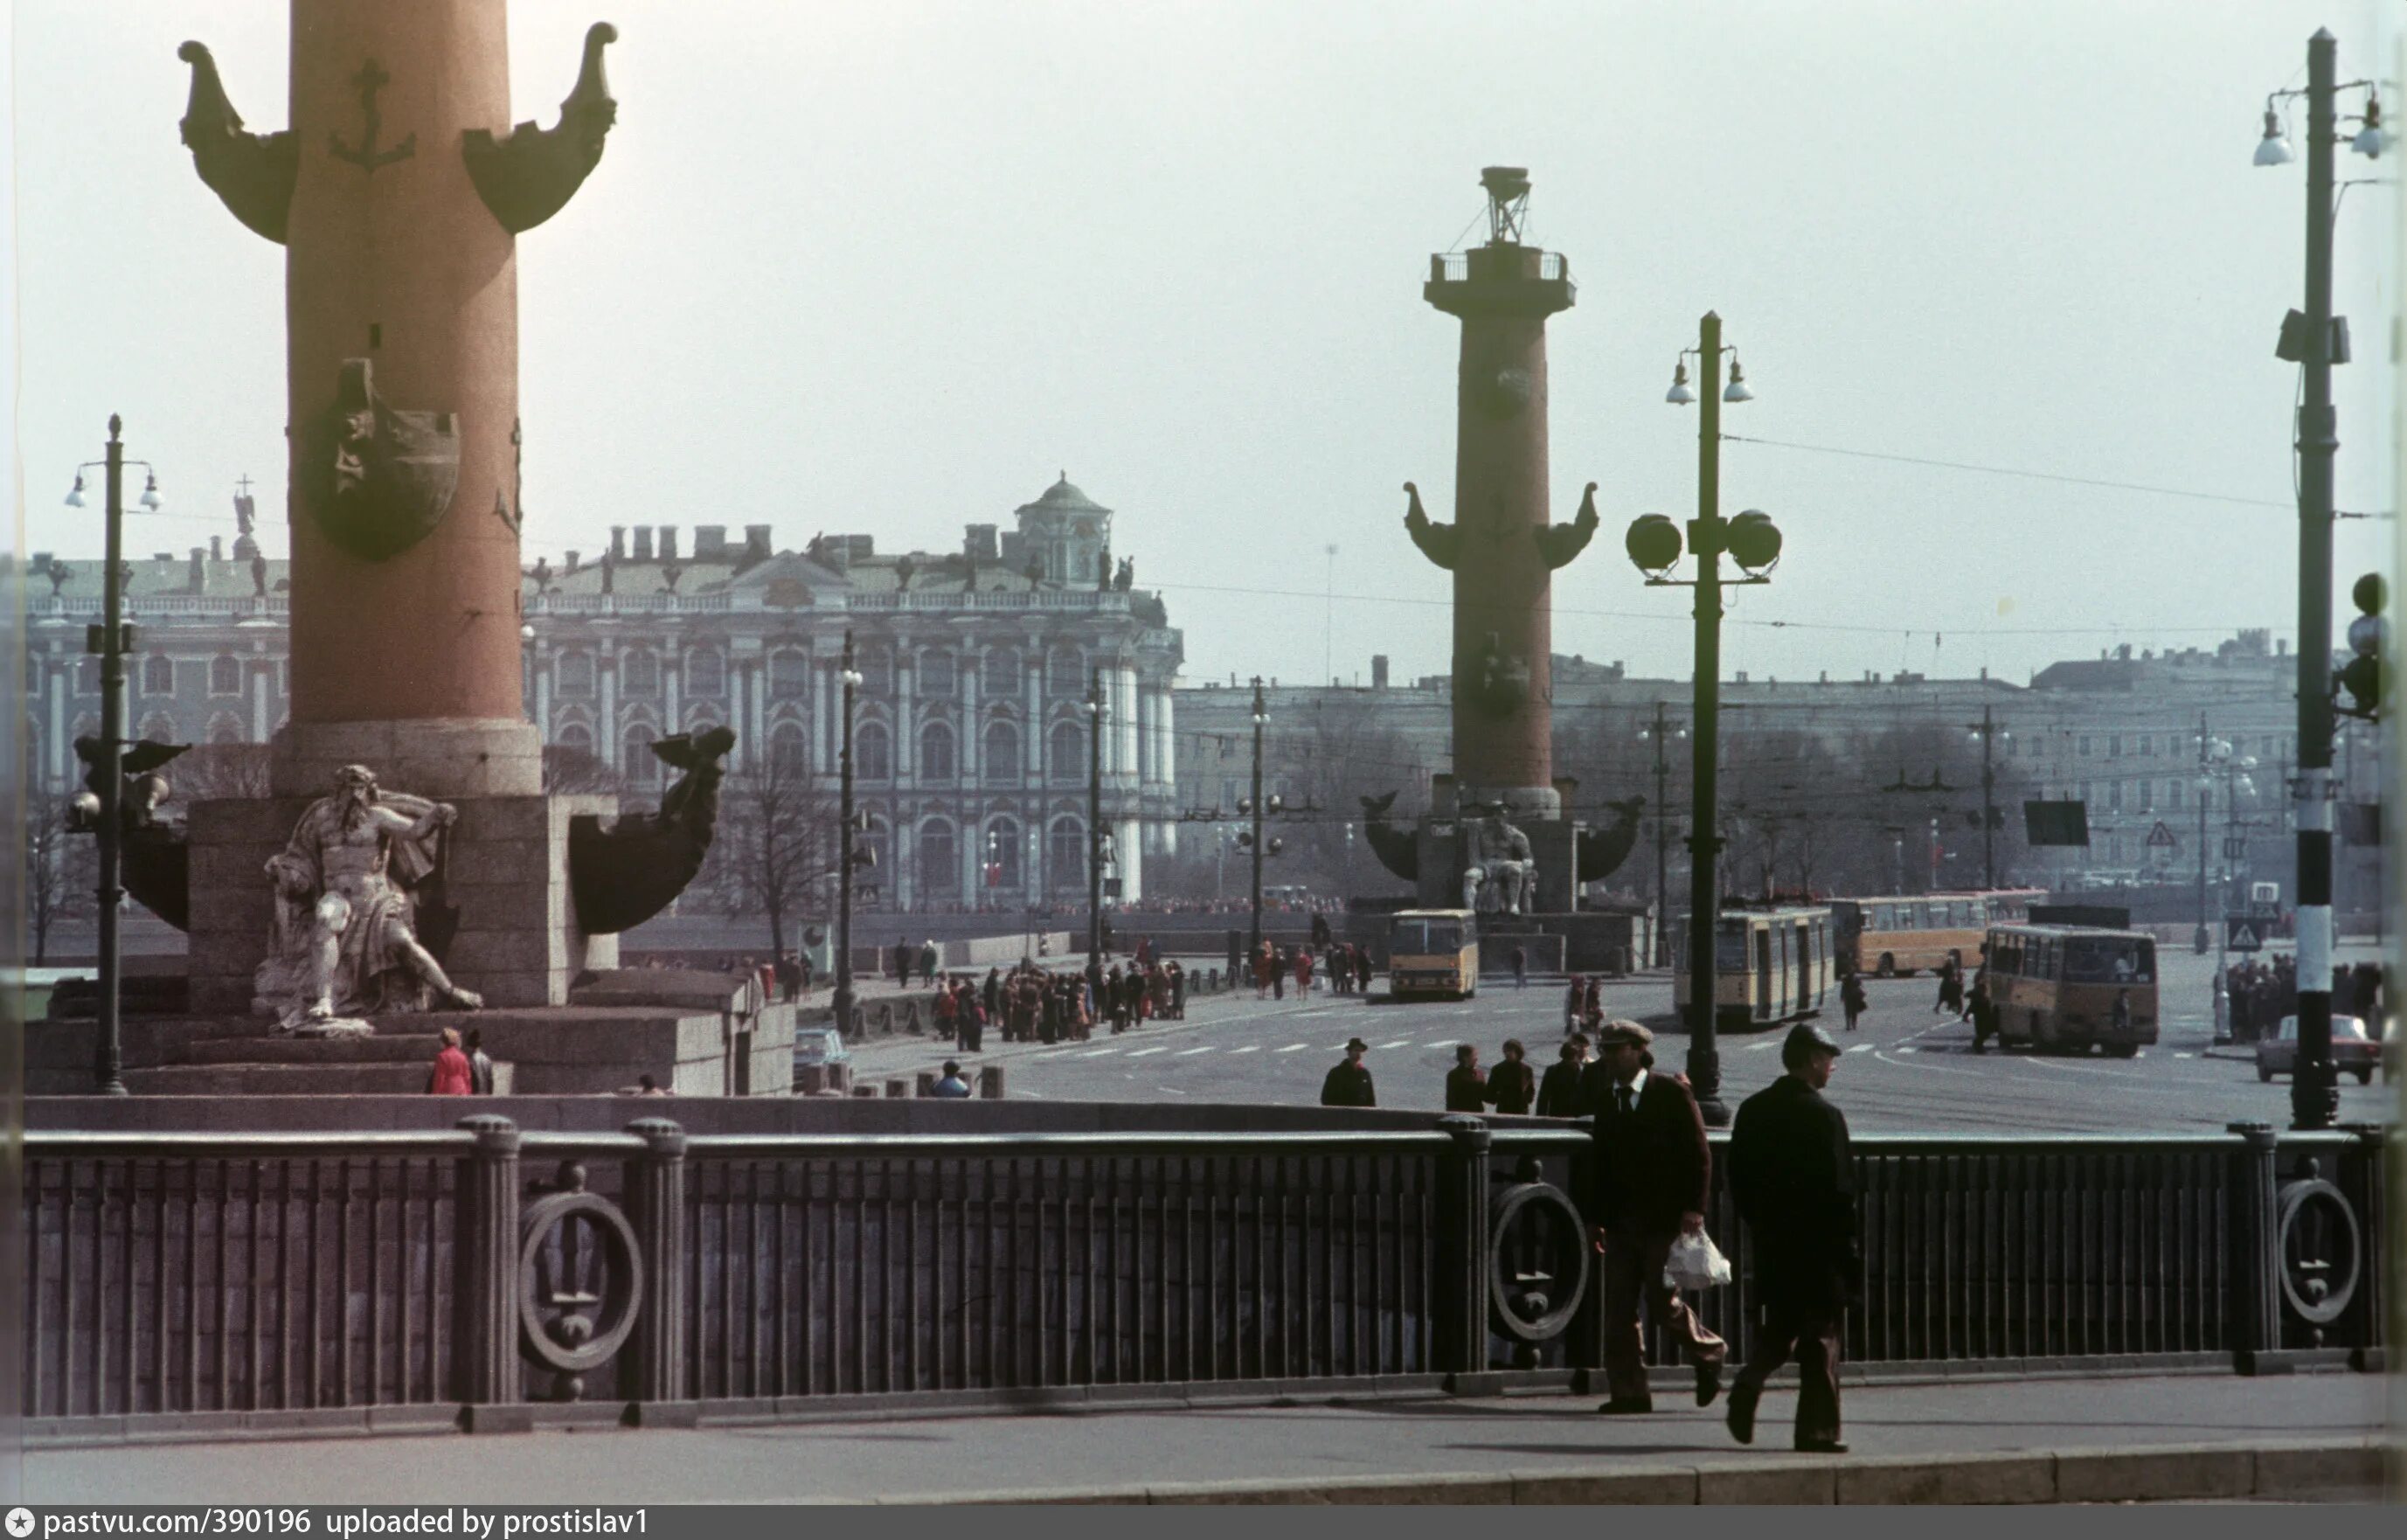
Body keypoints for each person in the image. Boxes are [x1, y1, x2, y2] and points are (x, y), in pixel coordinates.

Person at [1726, 1022, 1856, 1454]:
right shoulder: (1825, 1116)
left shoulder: (1753, 1110)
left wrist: (1761, 1223)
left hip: (1773, 1242)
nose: (1832, 1066)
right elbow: (1840, 1191)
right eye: (1829, 1058)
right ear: (1814, 1060)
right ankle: (1817, 1431)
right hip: (1818, 1247)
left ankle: (1748, 1382)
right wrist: (1847, 1251)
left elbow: (1738, 1179)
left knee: (1780, 1329)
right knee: (1821, 1338)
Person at [1582, 1019, 1725, 1415]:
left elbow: (1700, 1155)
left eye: (1615, 1049)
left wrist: (1695, 1208)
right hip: (1623, 1223)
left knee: (1663, 1303)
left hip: (1663, 1220)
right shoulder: (1607, 1098)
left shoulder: (1671, 1093)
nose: (1608, 1057)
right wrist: (1595, 1219)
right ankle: (1630, 1393)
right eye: (1605, 1050)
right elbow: (1602, 1166)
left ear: (1638, 1050)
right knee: (1619, 1311)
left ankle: (1709, 1352)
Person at [1536, 1036, 1588, 1118]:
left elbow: (1543, 1098)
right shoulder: (1553, 1071)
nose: (1573, 1060)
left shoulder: (1583, 1071)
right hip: (1559, 1114)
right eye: (1570, 1057)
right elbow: (1544, 1097)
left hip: (1574, 1115)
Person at [1320, 1038, 1376, 1107]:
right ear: (1349, 1052)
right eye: (1356, 1050)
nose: (1358, 1053)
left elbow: (1370, 1099)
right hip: (1341, 1115)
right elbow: (1326, 1098)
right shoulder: (1336, 1073)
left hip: (1360, 1115)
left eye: (1360, 1051)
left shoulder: (1365, 1074)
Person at [1486, 1038, 1535, 1116]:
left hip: (1521, 1109)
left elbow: (1530, 1089)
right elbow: (1490, 1091)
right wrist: (1500, 1098)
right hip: (1504, 1109)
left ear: (1517, 1052)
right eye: (1505, 1051)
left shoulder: (1526, 1069)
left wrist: (1526, 1099)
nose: (1507, 1054)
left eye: (1510, 1051)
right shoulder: (1498, 1069)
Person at [427, 1026, 473, 1096]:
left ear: (444, 1042)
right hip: (462, 1089)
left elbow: (440, 1078)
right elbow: (467, 1077)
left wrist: (435, 1094)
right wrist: (468, 1092)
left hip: (448, 1089)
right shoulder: (462, 1056)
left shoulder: (442, 1056)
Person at [1444, 1044, 1488, 1112]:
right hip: (1461, 1114)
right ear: (1465, 1058)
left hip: (1478, 1113)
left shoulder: (1479, 1074)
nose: (1476, 1058)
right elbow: (1451, 1099)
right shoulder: (1454, 1075)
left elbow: (1485, 1095)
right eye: (1474, 1056)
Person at [465, 1027, 496, 1096]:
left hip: (475, 1095)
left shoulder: (471, 1060)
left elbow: (474, 1079)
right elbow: (490, 1080)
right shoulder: (486, 1059)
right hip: (486, 1094)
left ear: (470, 1046)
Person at [1840, 969, 1867, 1033]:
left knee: (1848, 1011)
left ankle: (1848, 1025)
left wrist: (1842, 997)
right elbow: (1861, 987)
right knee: (1854, 1011)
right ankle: (1853, 1024)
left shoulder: (1845, 979)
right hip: (1855, 997)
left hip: (1848, 997)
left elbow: (1843, 988)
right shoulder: (1857, 979)